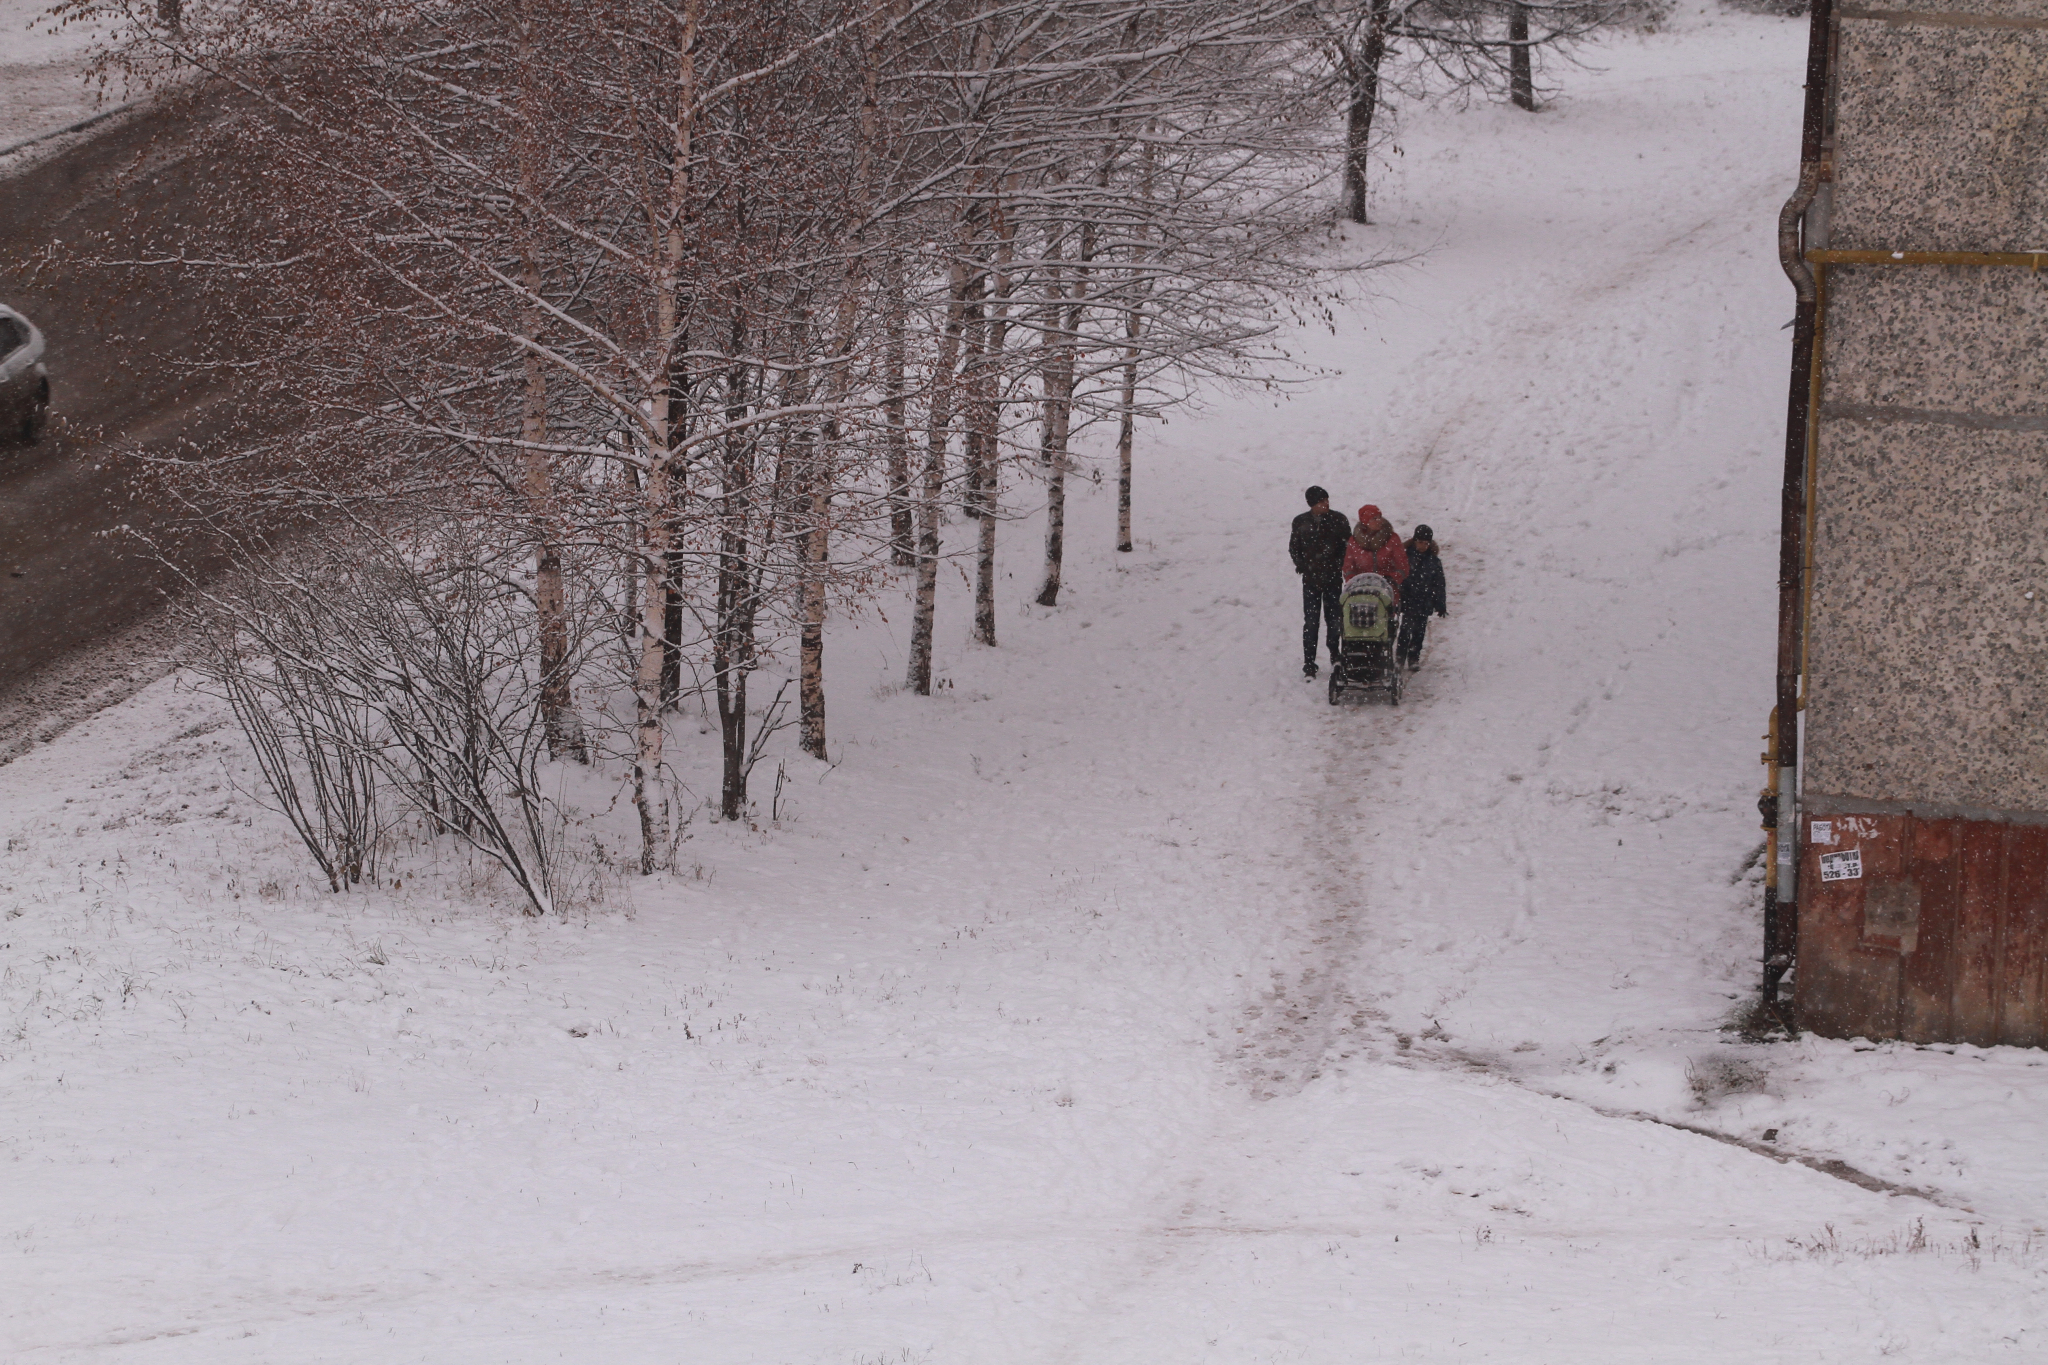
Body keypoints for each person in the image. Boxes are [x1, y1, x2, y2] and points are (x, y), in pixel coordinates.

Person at [1288, 486, 1350, 679]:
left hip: (1332, 578)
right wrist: (1303, 566)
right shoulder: (1300, 522)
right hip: (1311, 580)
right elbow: (1294, 547)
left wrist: (1337, 565)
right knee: (1311, 622)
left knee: (1334, 620)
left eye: (1326, 500)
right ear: (1312, 504)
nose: (1326, 504)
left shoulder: (1338, 520)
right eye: (1321, 501)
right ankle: (1309, 662)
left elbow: (1347, 546)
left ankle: (1334, 654)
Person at [1397, 523, 1448, 670]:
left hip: (1424, 601)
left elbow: (1439, 584)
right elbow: (1399, 578)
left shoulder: (1433, 562)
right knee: (1405, 630)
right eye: (1420, 542)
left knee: (1419, 632)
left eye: (1426, 543)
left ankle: (1414, 658)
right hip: (1408, 600)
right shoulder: (1405, 557)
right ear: (1414, 541)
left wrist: (1440, 604)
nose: (1423, 546)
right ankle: (1400, 658)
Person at [1341, 505, 1409, 585]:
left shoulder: (1392, 539)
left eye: (1380, 517)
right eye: (1374, 518)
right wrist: (1353, 580)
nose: (1379, 521)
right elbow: (1348, 567)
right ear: (1365, 522)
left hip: (1388, 588)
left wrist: (1391, 578)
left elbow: (1402, 566)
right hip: (1361, 588)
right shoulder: (1354, 541)